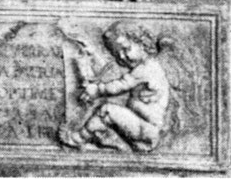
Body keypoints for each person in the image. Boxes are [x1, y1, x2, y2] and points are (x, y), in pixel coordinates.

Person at [61, 22, 173, 152]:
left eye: (126, 49)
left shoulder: (146, 69)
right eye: (117, 53)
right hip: (141, 126)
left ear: (143, 44)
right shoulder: (148, 65)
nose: (121, 56)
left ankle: (76, 139)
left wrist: (97, 90)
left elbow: (119, 86)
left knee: (106, 111)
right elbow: (110, 71)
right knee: (106, 116)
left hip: (145, 128)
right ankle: (113, 141)